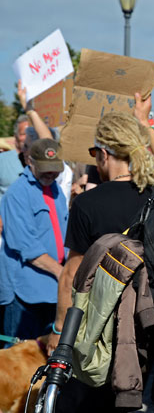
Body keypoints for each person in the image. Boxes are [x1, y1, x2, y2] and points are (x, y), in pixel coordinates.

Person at [52, 111, 154, 413]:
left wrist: (59, 331)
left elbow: (72, 275)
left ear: (103, 154)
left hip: (98, 329)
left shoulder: (88, 204)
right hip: (148, 326)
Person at [0, 138, 68, 341]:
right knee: (18, 363)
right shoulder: (17, 193)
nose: (51, 173)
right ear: (30, 161)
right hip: (25, 292)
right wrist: (61, 273)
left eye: (55, 168)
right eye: (45, 168)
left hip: (53, 288)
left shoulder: (55, 190)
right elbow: (25, 244)